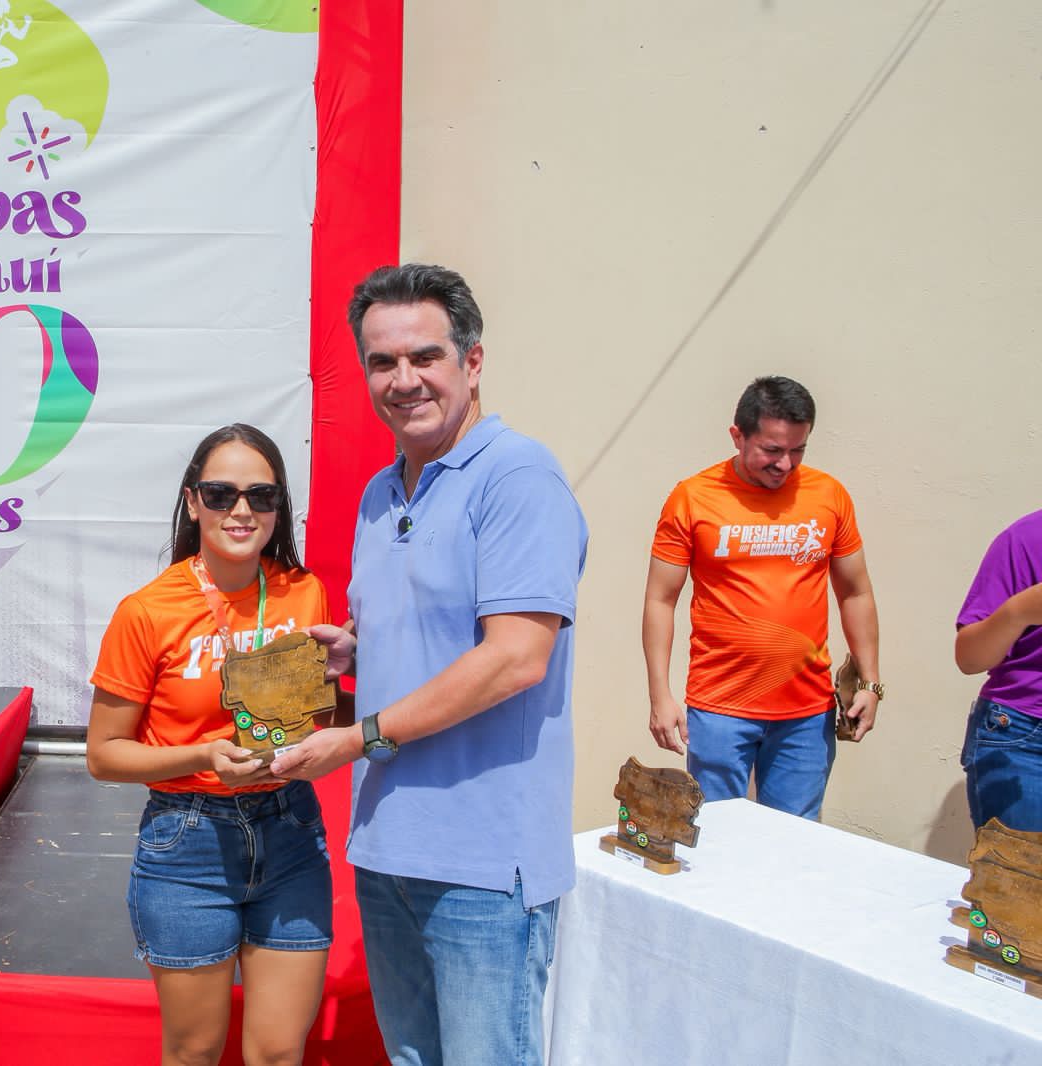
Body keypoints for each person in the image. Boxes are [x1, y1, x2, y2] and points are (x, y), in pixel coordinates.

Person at [271, 263, 587, 1066]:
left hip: (484, 865)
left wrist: (358, 738)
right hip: (387, 849)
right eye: (382, 362)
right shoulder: (382, 494)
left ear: (472, 362)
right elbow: (433, 636)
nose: (403, 380)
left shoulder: (519, 477)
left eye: (425, 356)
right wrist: (358, 652)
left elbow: (515, 659)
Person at [86, 424, 340, 1066]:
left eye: (262, 495)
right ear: (193, 501)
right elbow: (104, 754)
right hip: (188, 843)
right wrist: (203, 756)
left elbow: (318, 710)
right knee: (194, 1051)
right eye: (221, 493)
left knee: (278, 1052)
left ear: (280, 506)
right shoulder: (148, 611)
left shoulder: (305, 592)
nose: (242, 510)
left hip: (290, 829)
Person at [643, 375, 883, 820]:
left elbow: (855, 591)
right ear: (738, 435)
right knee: (716, 840)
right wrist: (660, 695)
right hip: (720, 708)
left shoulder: (829, 496)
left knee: (794, 844)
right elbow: (660, 599)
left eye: (798, 450)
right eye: (772, 450)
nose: (785, 464)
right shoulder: (692, 498)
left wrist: (870, 682)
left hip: (806, 714)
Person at [954, 509, 1042, 831]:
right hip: (1026, 740)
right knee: (1021, 865)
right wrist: (1019, 612)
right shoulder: (1026, 538)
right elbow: (969, 658)